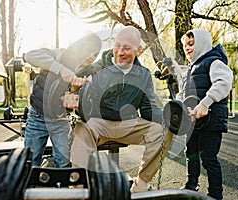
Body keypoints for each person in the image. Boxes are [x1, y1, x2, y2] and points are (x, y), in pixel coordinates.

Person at [64, 26, 173, 193]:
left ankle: (140, 184)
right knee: (80, 129)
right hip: (96, 123)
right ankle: (79, 190)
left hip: (126, 125)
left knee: (164, 130)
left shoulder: (143, 75)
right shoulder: (95, 69)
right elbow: (69, 94)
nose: (120, 52)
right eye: (117, 46)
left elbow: (149, 109)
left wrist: (172, 117)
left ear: (138, 49)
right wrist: (70, 96)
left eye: (127, 48)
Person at [23, 32, 101, 168]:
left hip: (61, 120)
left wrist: (75, 90)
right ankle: (29, 188)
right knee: (30, 163)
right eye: (89, 51)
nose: (91, 56)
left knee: (63, 162)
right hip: (37, 117)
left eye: (95, 54)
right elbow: (30, 56)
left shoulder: (90, 74)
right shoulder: (59, 55)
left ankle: (62, 188)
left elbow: (84, 107)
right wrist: (61, 69)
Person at [177, 29, 233, 200]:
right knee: (191, 153)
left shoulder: (214, 62)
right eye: (185, 45)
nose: (187, 48)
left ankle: (215, 194)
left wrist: (205, 103)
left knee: (209, 158)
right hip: (193, 121)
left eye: (191, 44)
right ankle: (191, 185)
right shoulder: (188, 70)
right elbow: (182, 93)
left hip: (211, 120)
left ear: (202, 43)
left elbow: (223, 83)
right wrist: (181, 106)